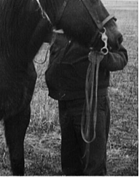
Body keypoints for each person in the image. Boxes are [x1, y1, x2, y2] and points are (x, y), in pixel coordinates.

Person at [45, 30, 128, 175]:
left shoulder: (101, 26)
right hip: (65, 102)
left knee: (93, 166)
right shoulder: (63, 23)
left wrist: (104, 58)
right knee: (70, 163)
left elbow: (122, 57)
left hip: (91, 103)